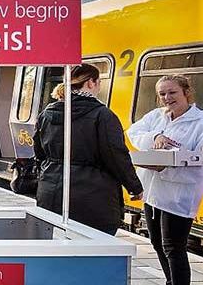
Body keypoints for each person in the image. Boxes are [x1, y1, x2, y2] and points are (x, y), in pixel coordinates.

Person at [127, 75, 203, 285]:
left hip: (179, 196)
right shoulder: (157, 116)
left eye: (172, 93)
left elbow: (198, 160)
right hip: (153, 191)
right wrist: (156, 137)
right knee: (158, 244)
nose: (167, 98)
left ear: (186, 92)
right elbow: (135, 132)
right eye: (162, 94)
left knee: (174, 249)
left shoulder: (200, 122)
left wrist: (167, 164)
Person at [32, 63, 143, 235]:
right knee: (92, 250)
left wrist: (48, 175)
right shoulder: (103, 115)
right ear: (91, 83)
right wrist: (134, 187)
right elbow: (116, 155)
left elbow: (39, 153)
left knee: (56, 245)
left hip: (51, 191)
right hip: (93, 196)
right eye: (98, 82)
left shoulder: (47, 113)